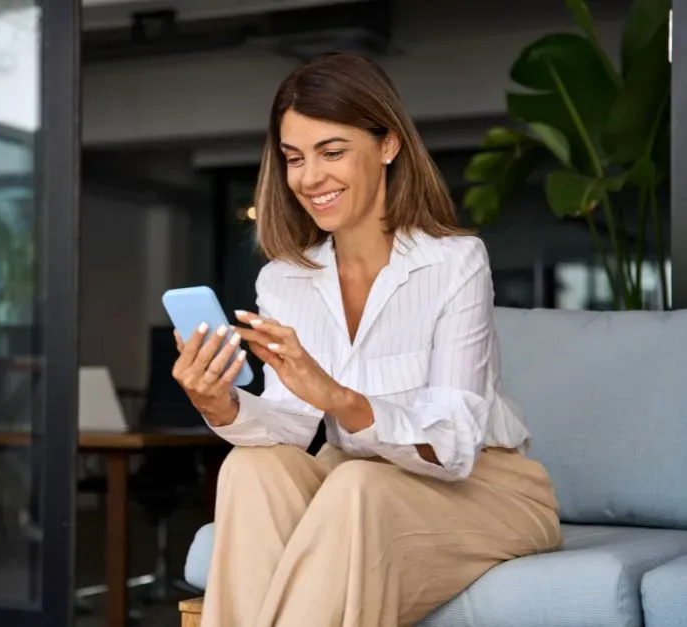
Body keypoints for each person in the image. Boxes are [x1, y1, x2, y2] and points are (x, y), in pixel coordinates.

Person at [171, 52, 562, 627]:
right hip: (353, 482)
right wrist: (221, 404)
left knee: (358, 484)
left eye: (332, 152)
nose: (309, 177)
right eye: (293, 158)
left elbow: (452, 445)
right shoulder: (284, 279)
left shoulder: (454, 263)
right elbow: (289, 425)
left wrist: (340, 399)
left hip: (483, 487)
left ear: (387, 145)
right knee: (251, 470)